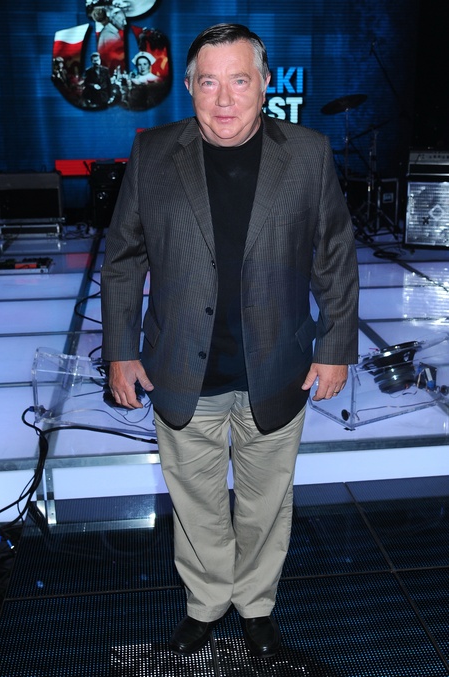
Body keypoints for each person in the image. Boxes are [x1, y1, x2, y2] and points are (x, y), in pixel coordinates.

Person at [101, 23, 359, 659]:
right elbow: (124, 259)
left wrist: (334, 349)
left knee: (267, 501)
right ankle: (206, 603)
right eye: (208, 82)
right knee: (195, 502)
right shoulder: (154, 153)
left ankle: (256, 605)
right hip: (180, 365)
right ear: (188, 87)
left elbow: (334, 257)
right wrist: (121, 351)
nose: (223, 99)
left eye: (239, 81)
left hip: (278, 366)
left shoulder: (308, 153)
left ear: (265, 84)